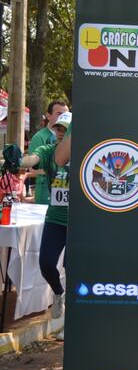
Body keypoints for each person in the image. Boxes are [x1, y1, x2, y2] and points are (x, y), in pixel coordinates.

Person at [18, 112, 71, 321]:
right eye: (58, 128)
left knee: (73, 268)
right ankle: (58, 293)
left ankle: (71, 322)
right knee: (46, 264)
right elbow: (33, 158)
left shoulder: (86, 152)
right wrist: (19, 161)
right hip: (56, 218)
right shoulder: (49, 152)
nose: (60, 133)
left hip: (81, 223)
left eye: (65, 130)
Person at [27, 100, 69, 204]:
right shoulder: (40, 137)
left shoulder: (72, 137)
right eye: (59, 114)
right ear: (48, 115)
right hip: (46, 196)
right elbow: (32, 168)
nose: (62, 117)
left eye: (66, 114)